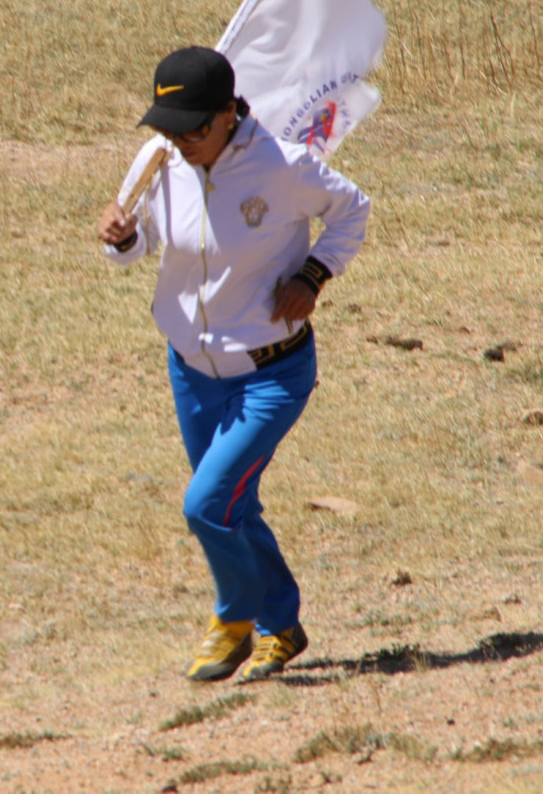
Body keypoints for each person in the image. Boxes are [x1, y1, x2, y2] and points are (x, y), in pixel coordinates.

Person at [97, 46, 370, 683]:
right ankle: (283, 623)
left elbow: (352, 210)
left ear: (229, 115)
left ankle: (233, 620)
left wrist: (313, 273)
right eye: (168, 125)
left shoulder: (282, 167)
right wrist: (121, 238)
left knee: (206, 504)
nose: (179, 139)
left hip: (271, 371)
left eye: (194, 126)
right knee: (233, 507)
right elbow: (138, 250)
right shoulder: (159, 160)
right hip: (191, 368)